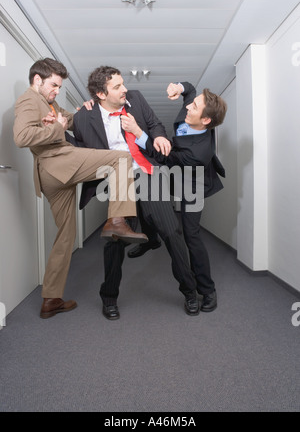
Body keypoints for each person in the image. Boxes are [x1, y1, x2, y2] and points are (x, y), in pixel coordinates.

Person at [13, 58, 147, 319]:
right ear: (37, 80)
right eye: (54, 85)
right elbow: (22, 137)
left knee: (65, 235)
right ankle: (118, 221)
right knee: (121, 158)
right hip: (57, 162)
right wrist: (57, 130)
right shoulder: (29, 100)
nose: (57, 90)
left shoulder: (49, 101)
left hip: (53, 175)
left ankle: (51, 299)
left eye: (59, 86)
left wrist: (86, 111)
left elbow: (69, 120)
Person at [73, 66, 199, 320]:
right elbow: (79, 147)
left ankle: (190, 292)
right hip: (118, 179)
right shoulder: (84, 117)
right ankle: (109, 297)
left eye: (123, 83)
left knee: (172, 232)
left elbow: (155, 124)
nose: (124, 89)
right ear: (100, 94)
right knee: (115, 240)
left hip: (147, 172)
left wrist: (158, 137)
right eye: (117, 86)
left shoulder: (136, 99)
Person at [121, 81, 227, 312]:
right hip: (174, 172)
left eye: (194, 107)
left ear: (206, 120)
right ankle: (151, 239)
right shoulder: (192, 111)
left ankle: (207, 289)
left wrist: (138, 132)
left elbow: (165, 158)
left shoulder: (198, 153)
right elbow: (189, 89)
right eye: (191, 104)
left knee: (191, 236)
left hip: (193, 183)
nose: (188, 107)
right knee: (143, 196)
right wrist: (180, 87)